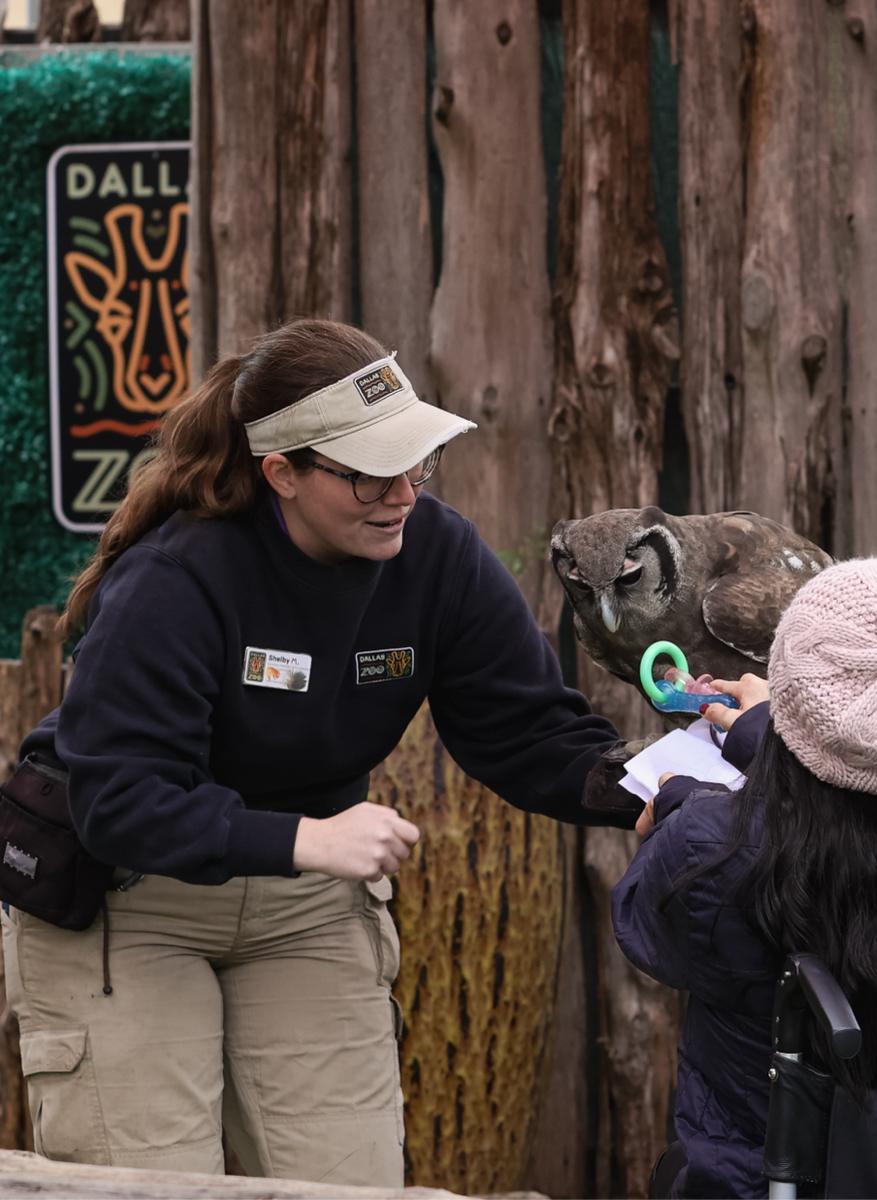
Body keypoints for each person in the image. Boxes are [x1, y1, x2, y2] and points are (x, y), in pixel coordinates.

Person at [1, 318, 638, 1187]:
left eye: (416, 461)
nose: (403, 494)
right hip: (126, 899)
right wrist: (305, 837)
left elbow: (527, 729)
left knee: (349, 1184)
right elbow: (120, 803)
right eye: (370, 472)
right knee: (153, 1186)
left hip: (302, 908)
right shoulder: (177, 579)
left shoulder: (436, 556)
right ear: (283, 475)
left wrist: (650, 786)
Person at [613, 558, 877, 1198]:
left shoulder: (704, 852)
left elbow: (646, 922)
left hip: (766, 1182)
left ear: (793, 694)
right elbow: (876, 804)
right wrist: (766, 734)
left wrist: (683, 804)